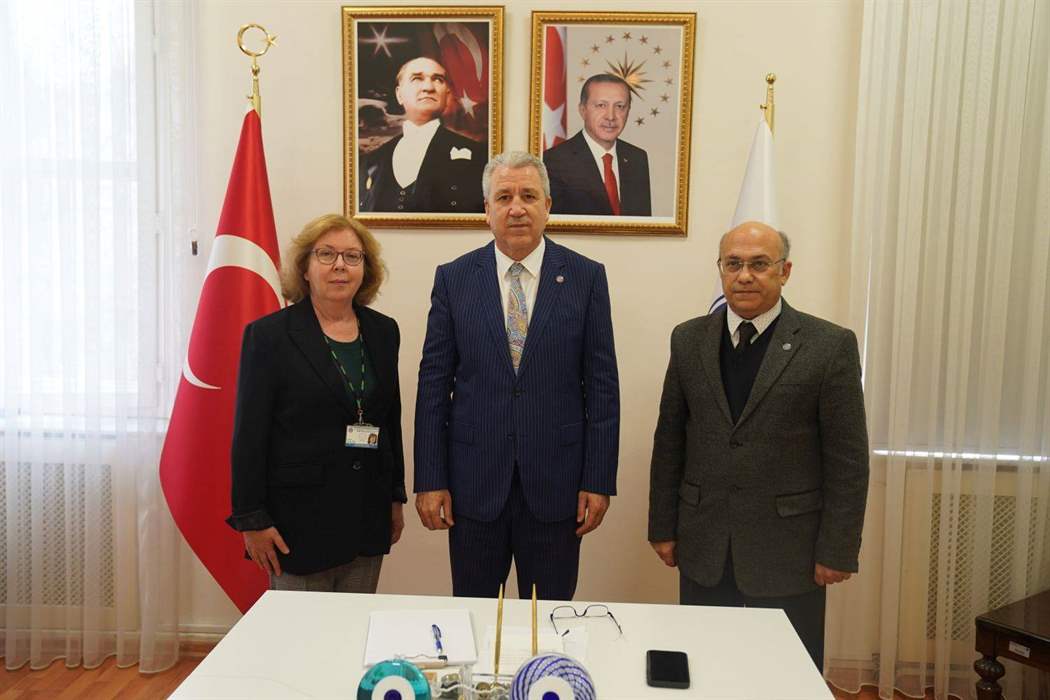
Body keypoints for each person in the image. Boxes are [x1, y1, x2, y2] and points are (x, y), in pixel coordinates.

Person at [647, 221, 869, 669]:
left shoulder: (829, 346)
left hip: (789, 550)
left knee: (787, 672)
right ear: (721, 270)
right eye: (733, 264)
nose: (744, 275)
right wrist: (662, 527)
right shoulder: (688, 339)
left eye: (759, 264)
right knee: (706, 667)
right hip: (705, 542)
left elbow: (847, 460)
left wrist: (837, 550)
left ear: (785, 271)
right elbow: (670, 439)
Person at [414, 151, 620, 600]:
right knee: (474, 613)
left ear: (548, 205)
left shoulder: (585, 278)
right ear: (486, 210)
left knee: (547, 618)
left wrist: (598, 480)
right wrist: (430, 478)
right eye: (504, 197)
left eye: (529, 196)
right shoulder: (454, 279)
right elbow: (433, 385)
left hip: (557, 487)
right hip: (473, 486)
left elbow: (603, 388)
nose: (517, 208)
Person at [226, 213, 406, 593]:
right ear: (305, 269)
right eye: (326, 254)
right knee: (300, 628)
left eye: (352, 256)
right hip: (296, 524)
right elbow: (249, 436)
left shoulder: (383, 331)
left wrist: (395, 497)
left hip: (366, 515)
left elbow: (391, 420)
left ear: (365, 269)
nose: (340, 265)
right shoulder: (269, 336)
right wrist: (251, 519)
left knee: (354, 624)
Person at [359, 56, 486, 214]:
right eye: (417, 78)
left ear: (447, 94)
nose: (428, 87)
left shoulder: (478, 155)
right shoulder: (373, 160)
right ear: (399, 95)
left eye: (438, 79)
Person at [543, 73, 651, 216]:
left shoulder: (637, 158)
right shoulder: (554, 161)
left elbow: (642, 223)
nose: (611, 116)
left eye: (620, 106)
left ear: (628, 111)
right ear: (583, 110)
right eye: (601, 105)